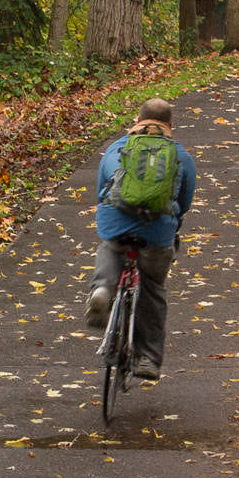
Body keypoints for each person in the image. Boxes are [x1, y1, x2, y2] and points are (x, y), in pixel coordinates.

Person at [83, 98, 198, 382]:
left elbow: (101, 192)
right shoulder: (179, 155)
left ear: (137, 121)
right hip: (157, 233)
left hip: (116, 223)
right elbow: (184, 202)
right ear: (170, 126)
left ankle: (102, 288)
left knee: (110, 246)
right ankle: (147, 357)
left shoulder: (116, 147)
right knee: (153, 288)